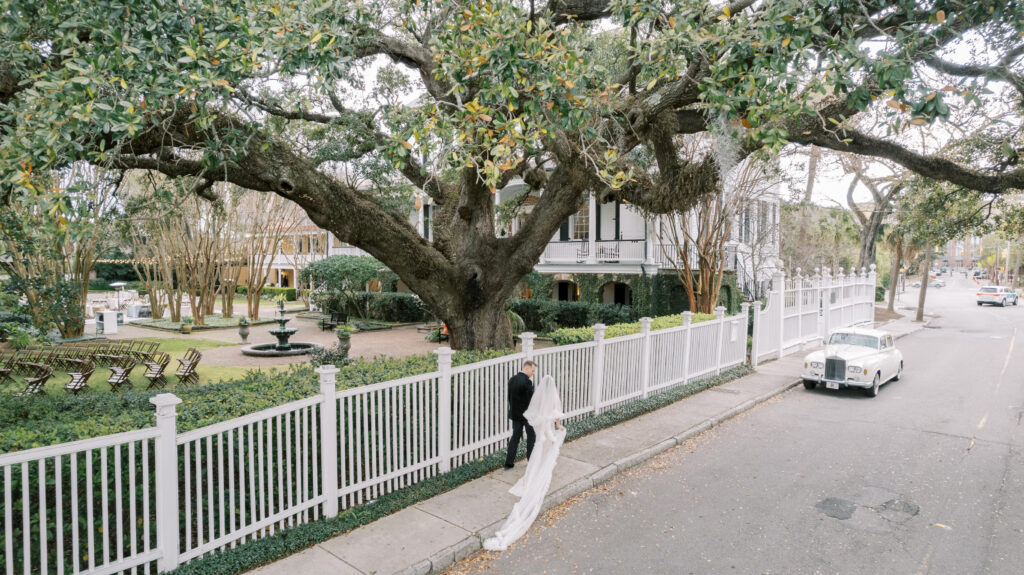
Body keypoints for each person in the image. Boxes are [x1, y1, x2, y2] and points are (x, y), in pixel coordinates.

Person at [484, 374, 566, 551]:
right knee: (547, 455)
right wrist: (558, 426)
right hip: (548, 435)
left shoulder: (536, 396)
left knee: (536, 456)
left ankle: (528, 475)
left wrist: (540, 427)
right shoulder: (552, 397)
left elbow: (533, 416)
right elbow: (557, 414)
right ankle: (539, 475)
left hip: (539, 437)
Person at [504, 360, 537, 469]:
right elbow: (530, 401)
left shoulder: (512, 379)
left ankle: (509, 463)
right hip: (526, 415)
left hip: (515, 414)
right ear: (526, 368)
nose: (533, 373)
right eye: (532, 370)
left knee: (515, 437)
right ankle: (531, 460)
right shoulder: (527, 382)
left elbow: (509, 398)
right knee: (531, 436)